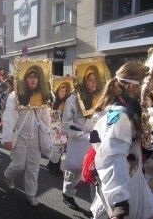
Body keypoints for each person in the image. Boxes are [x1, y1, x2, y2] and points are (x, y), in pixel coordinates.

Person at [90, 62, 153, 219]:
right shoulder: (120, 115)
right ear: (133, 87)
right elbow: (111, 157)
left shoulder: (134, 109)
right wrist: (120, 203)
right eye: (148, 86)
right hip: (119, 187)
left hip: (132, 179)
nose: (151, 91)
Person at [2, 89, 51, 207]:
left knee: (33, 166)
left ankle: (31, 194)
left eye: (36, 76)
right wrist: (7, 138)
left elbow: (46, 115)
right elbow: (9, 117)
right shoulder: (15, 95)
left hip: (36, 136)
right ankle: (8, 176)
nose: (33, 79)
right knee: (19, 164)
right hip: (19, 136)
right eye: (30, 76)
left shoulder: (42, 94)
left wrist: (48, 134)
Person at [61, 82, 96, 211]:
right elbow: (65, 125)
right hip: (77, 140)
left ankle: (96, 208)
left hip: (95, 140)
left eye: (94, 79)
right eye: (89, 79)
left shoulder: (100, 96)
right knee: (74, 169)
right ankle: (67, 194)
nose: (93, 82)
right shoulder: (72, 100)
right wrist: (81, 134)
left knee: (94, 172)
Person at [47, 81, 72, 176]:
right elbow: (48, 115)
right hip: (54, 128)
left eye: (65, 91)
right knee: (56, 148)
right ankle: (52, 166)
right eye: (61, 91)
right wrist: (54, 114)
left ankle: (55, 166)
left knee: (61, 149)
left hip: (62, 128)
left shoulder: (66, 102)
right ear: (57, 91)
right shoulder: (52, 102)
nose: (63, 93)